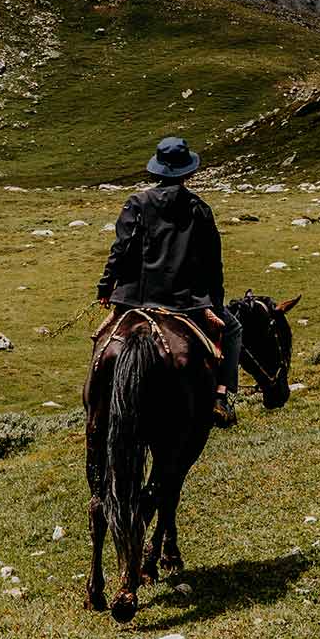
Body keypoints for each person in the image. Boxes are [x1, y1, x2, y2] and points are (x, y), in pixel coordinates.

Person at [98, 136, 241, 427]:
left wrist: (106, 287)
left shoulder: (137, 203)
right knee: (234, 329)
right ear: (188, 172)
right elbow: (213, 262)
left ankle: (96, 405)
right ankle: (220, 396)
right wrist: (213, 302)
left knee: (102, 341)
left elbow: (121, 249)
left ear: (156, 170)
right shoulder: (199, 208)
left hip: (134, 298)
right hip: (185, 300)